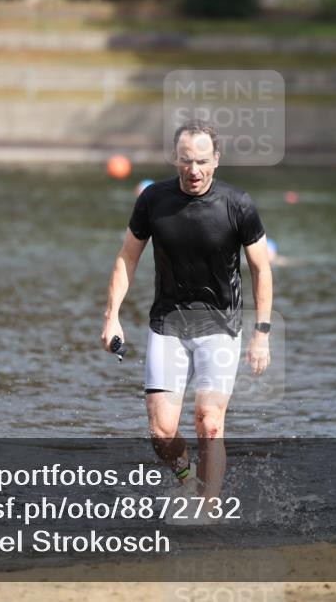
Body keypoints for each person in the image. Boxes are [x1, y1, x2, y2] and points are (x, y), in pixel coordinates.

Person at [100, 120, 273, 499]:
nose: (193, 171)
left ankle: (209, 506)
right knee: (161, 432)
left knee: (209, 423)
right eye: (185, 161)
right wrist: (111, 317)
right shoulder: (152, 201)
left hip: (220, 327)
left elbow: (261, 269)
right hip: (168, 325)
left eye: (201, 162)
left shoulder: (237, 204)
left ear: (216, 160)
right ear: (175, 159)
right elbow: (127, 258)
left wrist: (261, 333)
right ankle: (189, 480)